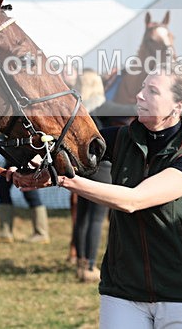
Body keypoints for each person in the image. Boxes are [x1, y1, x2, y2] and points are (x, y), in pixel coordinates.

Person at [9, 65, 182, 328]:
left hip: (181, 293)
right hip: (122, 290)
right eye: (143, 87)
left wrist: (65, 180)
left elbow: (134, 200)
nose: (140, 95)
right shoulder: (121, 138)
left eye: (152, 91)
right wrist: (29, 164)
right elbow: (61, 149)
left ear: (178, 105)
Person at [71, 69, 111, 282]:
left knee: (83, 217)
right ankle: (90, 266)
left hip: (82, 168)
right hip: (102, 168)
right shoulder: (104, 108)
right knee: (96, 219)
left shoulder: (75, 107)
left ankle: (81, 263)